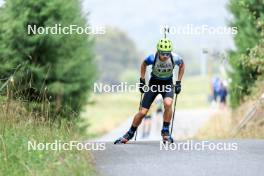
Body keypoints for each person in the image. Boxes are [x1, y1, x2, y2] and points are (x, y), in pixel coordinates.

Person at [114, 38, 185, 144]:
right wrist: (142, 80)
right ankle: (129, 134)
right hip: (154, 84)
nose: (165, 56)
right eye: (162, 53)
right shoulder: (152, 58)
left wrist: (178, 82)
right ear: (158, 51)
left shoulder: (175, 58)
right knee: (143, 112)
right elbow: (143, 64)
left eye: (167, 53)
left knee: (168, 103)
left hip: (167, 84)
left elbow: (182, 65)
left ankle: (165, 131)